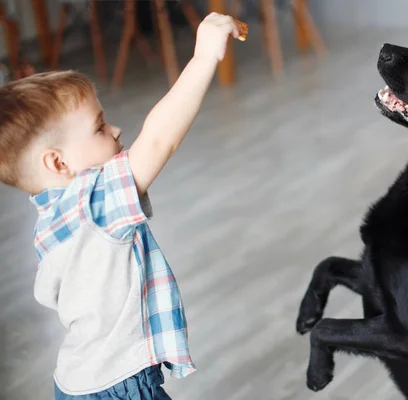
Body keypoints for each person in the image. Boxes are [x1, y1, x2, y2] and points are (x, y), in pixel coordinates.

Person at [0, 12, 242, 399]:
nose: (116, 130)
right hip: (121, 386)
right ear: (59, 164)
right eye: (99, 127)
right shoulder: (92, 201)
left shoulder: (53, 213)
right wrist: (203, 57)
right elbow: (159, 140)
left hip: (77, 383)